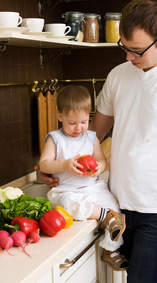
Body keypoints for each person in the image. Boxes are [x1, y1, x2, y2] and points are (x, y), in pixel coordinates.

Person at [38, 0, 157, 282]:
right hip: (114, 203)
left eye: (136, 50)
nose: (129, 56)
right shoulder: (118, 75)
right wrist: (53, 166)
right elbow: (92, 135)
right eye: (124, 47)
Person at [39, 85, 128, 271]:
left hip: (93, 187)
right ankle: (105, 215)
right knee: (69, 204)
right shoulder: (54, 139)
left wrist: (98, 169)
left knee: (116, 207)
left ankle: (110, 251)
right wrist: (64, 165)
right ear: (60, 116)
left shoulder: (91, 137)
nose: (79, 128)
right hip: (66, 190)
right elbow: (44, 164)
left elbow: (101, 160)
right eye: (72, 123)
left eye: (84, 121)